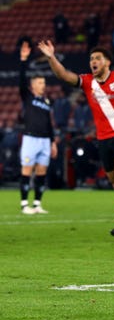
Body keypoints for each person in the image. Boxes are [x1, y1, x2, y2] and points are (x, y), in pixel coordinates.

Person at [38, 40, 114, 239]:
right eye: (91, 59)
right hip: (103, 139)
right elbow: (63, 75)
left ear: (107, 62)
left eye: (98, 58)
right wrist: (51, 57)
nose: (93, 61)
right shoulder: (87, 82)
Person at [18, 41, 58, 214]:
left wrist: (53, 142)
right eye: (40, 83)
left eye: (43, 83)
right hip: (30, 138)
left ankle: (37, 204)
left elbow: (49, 123)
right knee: (27, 171)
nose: (43, 85)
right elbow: (21, 79)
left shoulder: (46, 102)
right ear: (33, 85)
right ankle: (24, 204)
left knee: (41, 172)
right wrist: (23, 60)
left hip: (44, 141)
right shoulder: (27, 97)